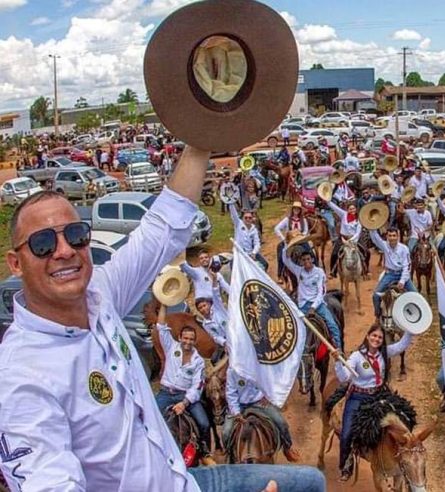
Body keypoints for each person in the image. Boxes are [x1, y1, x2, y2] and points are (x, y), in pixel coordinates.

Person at [0, 145, 325, 491]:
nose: (64, 251)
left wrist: (200, 136)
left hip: (180, 480)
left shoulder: (99, 293)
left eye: (76, 236)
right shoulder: (21, 377)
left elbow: (162, 229)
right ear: (16, 263)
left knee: (310, 482)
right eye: (43, 244)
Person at [333, 324, 414, 481]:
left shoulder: (384, 352)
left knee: (405, 416)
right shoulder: (357, 356)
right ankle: (346, 464)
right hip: (358, 397)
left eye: (380, 337)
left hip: (379, 394)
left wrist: (411, 329)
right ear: (368, 336)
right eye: (374, 336)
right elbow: (343, 378)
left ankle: (406, 451)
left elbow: (402, 345)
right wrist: (337, 362)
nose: (376, 339)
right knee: (347, 433)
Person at [155, 305, 211, 455]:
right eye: (185, 338)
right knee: (150, 417)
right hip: (166, 394)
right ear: (179, 338)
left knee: (204, 423)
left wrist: (184, 403)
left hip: (184, 396)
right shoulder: (171, 347)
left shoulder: (198, 361)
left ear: (195, 341)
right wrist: (164, 304)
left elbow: (197, 386)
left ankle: (204, 451)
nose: (188, 341)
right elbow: (161, 326)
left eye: (191, 339)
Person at [222, 366, 300, 462]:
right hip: (239, 405)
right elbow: (230, 393)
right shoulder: (232, 370)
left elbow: (271, 380)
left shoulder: (260, 365)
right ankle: (231, 455)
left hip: (259, 403)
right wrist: (236, 412)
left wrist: (268, 396)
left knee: (281, 422)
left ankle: (287, 448)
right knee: (226, 432)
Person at [281, 248, 342, 352]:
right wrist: (288, 245)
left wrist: (313, 307)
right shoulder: (299, 270)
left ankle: (338, 348)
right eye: (304, 260)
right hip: (302, 305)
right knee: (291, 327)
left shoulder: (319, 272)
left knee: (333, 325)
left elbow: (321, 292)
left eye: (308, 259)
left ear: (312, 260)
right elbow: (286, 260)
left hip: (317, 305)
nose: (306, 262)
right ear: (301, 261)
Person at [369, 227, 416, 319]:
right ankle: (378, 316)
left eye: (394, 235)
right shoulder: (384, 245)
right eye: (390, 236)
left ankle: (413, 317)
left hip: (402, 274)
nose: (392, 238)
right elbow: (375, 238)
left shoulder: (404, 249)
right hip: (389, 274)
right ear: (387, 236)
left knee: (416, 295)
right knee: (376, 296)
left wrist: (402, 281)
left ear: (398, 236)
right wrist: (372, 227)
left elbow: (407, 266)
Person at [327, 200, 364, 278]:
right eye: (350, 209)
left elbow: (358, 232)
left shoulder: (359, 218)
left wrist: (350, 241)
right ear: (347, 210)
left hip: (354, 239)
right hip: (342, 238)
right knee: (334, 254)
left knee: (366, 251)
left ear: (356, 209)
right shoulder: (343, 214)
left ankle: (365, 271)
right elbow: (334, 207)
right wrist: (328, 201)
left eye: (353, 208)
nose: (352, 210)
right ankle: (333, 272)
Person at [274, 202, 309, 284]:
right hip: (289, 241)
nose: (296, 210)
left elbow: (306, 231)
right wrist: (283, 239)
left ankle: (314, 269)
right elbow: (277, 228)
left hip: (300, 240)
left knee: (310, 252)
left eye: (298, 209)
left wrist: (301, 236)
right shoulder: (287, 220)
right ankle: (280, 274)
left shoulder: (303, 220)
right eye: (295, 208)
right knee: (281, 254)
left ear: (300, 210)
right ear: (292, 209)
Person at [195, 278, 228, 363]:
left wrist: (214, 280)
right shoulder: (205, 324)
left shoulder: (218, 309)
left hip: (236, 334)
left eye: (204, 305)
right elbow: (215, 336)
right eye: (200, 308)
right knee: (215, 360)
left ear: (209, 304)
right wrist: (224, 343)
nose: (203, 309)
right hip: (226, 343)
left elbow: (216, 294)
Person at [230, 203, 268, 271]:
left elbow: (257, 243)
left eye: (250, 218)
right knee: (233, 267)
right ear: (242, 218)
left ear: (252, 219)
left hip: (250, 254)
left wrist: (253, 253)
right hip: (239, 254)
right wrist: (230, 203)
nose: (248, 219)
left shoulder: (254, 230)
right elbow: (233, 214)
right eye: (246, 218)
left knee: (265, 264)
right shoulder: (238, 224)